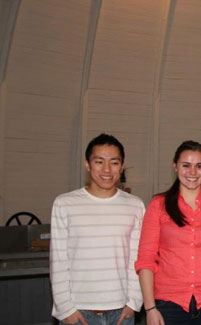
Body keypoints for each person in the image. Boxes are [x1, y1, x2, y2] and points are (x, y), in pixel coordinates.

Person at [135, 140, 201, 325]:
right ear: (175, 166)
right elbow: (146, 260)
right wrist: (150, 308)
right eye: (186, 165)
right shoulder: (158, 205)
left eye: (199, 166)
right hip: (169, 304)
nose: (192, 172)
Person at [50, 133, 144, 324]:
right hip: (79, 312)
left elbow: (137, 258)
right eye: (99, 162)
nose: (107, 169)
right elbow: (58, 260)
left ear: (122, 166)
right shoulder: (65, 204)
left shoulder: (135, 205)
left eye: (114, 162)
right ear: (87, 164)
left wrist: (134, 303)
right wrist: (65, 309)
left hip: (121, 312)